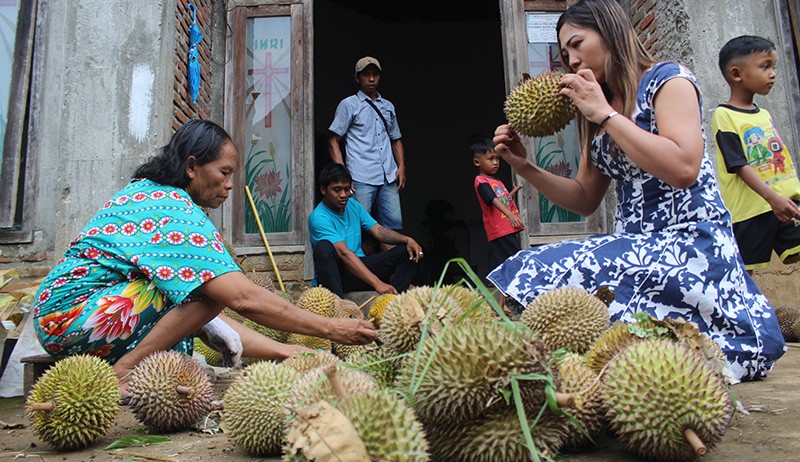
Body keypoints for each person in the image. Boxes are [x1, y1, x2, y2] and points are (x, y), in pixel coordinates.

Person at [487, 0, 784, 381]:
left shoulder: (668, 80)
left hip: (690, 244)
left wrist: (606, 115)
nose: (572, 60)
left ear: (611, 31)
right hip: (635, 246)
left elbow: (684, 168)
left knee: (538, 268)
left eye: (577, 44)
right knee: (537, 275)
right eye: (564, 54)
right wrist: (524, 166)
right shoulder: (597, 108)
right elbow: (584, 198)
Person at [31, 120, 377, 395]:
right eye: (224, 173)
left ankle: (126, 365)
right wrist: (332, 328)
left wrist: (287, 351)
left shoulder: (148, 193)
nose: (230, 184)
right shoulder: (174, 210)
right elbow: (240, 298)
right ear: (192, 167)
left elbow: (203, 315)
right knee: (207, 289)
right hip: (73, 317)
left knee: (198, 296)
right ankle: (124, 370)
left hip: (64, 318)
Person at [712, 35, 800, 275]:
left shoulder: (764, 114)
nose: (773, 74)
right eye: (765, 67)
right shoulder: (724, 115)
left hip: (786, 201)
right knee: (744, 275)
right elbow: (738, 165)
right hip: (752, 211)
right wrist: (772, 198)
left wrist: (782, 197)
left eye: (774, 67)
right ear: (736, 74)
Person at [309, 163, 423, 297]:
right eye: (337, 190)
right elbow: (344, 253)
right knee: (323, 247)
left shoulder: (353, 205)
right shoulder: (319, 217)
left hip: (359, 270)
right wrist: (377, 283)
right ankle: (339, 304)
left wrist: (408, 239)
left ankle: (394, 299)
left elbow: (378, 230)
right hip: (336, 276)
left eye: (347, 189)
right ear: (323, 190)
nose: (343, 195)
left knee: (407, 250)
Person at [327, 56, 406, 232]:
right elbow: (333, 140)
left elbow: (396, 139)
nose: (371, 79)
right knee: (357, 227)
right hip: (360, 176)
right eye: (366, 75)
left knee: (392, 228)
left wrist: (401, 166)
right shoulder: (349, 105)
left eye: (375, 75)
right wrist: (343, 175)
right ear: (357, 78)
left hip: (389, 176)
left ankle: (389, 252)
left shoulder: (388, 106)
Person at [471, 137, 524, 311]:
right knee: (513, 263)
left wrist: (512, 193)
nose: (495, 162)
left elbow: (501, 199)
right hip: (499, 230)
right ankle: (503, 304)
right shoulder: (481, 181)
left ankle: (502, 305)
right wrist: (510, 214)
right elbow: (492, 200)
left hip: (507, 229)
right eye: (490, 159)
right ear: (477, 162)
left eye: (497, 159)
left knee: (507, 265)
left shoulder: (497, 181)